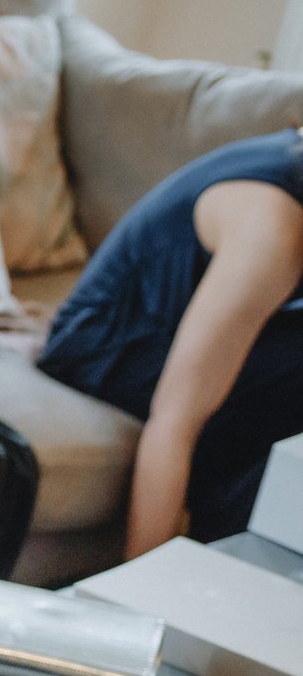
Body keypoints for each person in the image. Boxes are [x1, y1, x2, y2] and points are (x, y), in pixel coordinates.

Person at [37, 129, 303, 557]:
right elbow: (174, 419)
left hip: (160, 331)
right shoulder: (270, 235)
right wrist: (143, 593)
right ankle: (213, 544)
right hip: (98, 348)